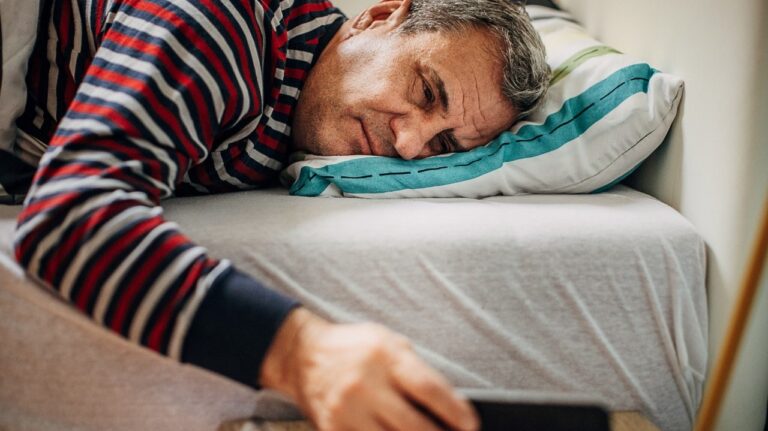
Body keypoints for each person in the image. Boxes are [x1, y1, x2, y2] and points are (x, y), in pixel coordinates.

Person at [6, 0, 549, 429]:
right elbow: (70, 217)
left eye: (443, 145)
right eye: (426, 91)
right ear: (380, 16)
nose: (408, 145)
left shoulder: (299, 112)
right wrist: (303, 355)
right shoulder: (226, 26)